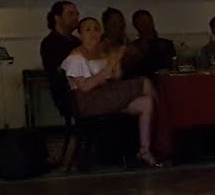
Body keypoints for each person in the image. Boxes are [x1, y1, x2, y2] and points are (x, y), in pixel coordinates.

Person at [60, 17, 159, 167]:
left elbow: (116, 77)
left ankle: (145, 149)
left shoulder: (102, 54)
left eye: (96, 29)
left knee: (146, 103)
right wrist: (105, 71)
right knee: (144, 82)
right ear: (79, 35)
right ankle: (163, 136)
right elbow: (85, 87)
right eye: (88, 29)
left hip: (107, 97)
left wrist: (117, 58)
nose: (93, 32)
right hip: (89, 101)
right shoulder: (76, 58)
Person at [40, 0, 80, 75]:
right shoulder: (49, 43)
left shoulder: (77, 41)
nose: (76, 17)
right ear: (57, 18)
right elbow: (59, 71)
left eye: (77, 14)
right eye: (70, 14)